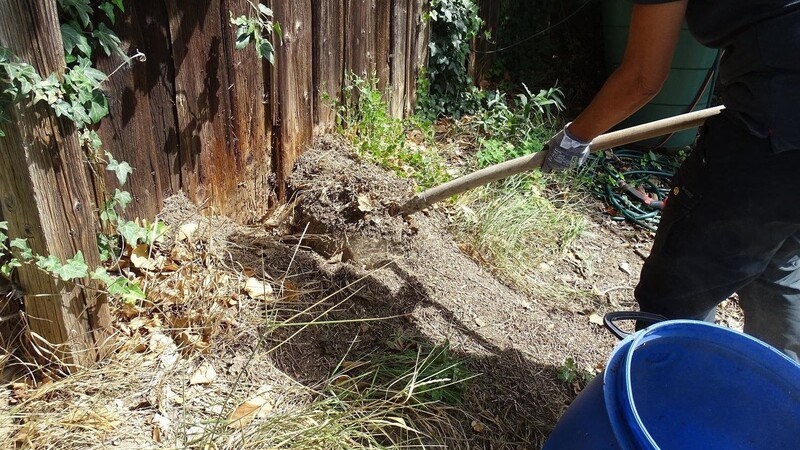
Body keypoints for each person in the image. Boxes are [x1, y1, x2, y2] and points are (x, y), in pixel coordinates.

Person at [543, 0, 800, 362]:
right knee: (778, 270)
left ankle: (660, 409)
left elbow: (642, 79)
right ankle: (776, 406)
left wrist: (576, 136)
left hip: (773, 139)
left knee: (678, 296)